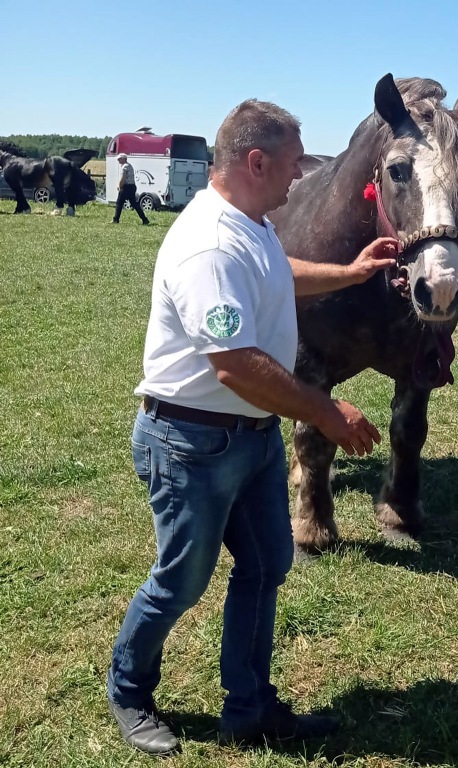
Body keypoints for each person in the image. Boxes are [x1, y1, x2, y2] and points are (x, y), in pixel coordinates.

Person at [107, 99, 398, 755]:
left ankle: (249, 704)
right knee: (181, 580)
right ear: (256, 161)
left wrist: (351, 273)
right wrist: (325, 410)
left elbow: (279, 273)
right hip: (192, 444)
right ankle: (128, 688)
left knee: (265, 565)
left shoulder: (253, 223)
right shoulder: (209, 243)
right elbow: (236, 365)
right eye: (293, 166)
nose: (300, 179)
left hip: (252, 439)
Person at [112, 153, 150, 225]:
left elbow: (123, 178)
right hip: (132, 187)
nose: (118, 160)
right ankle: (144, 219)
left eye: (119, 159)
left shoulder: (125, 167)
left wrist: (120, 186)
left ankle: (116, 219)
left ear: (124, 159)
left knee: (119, 203)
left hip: (126, 187)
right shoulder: (130, 166)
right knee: (135, 204)